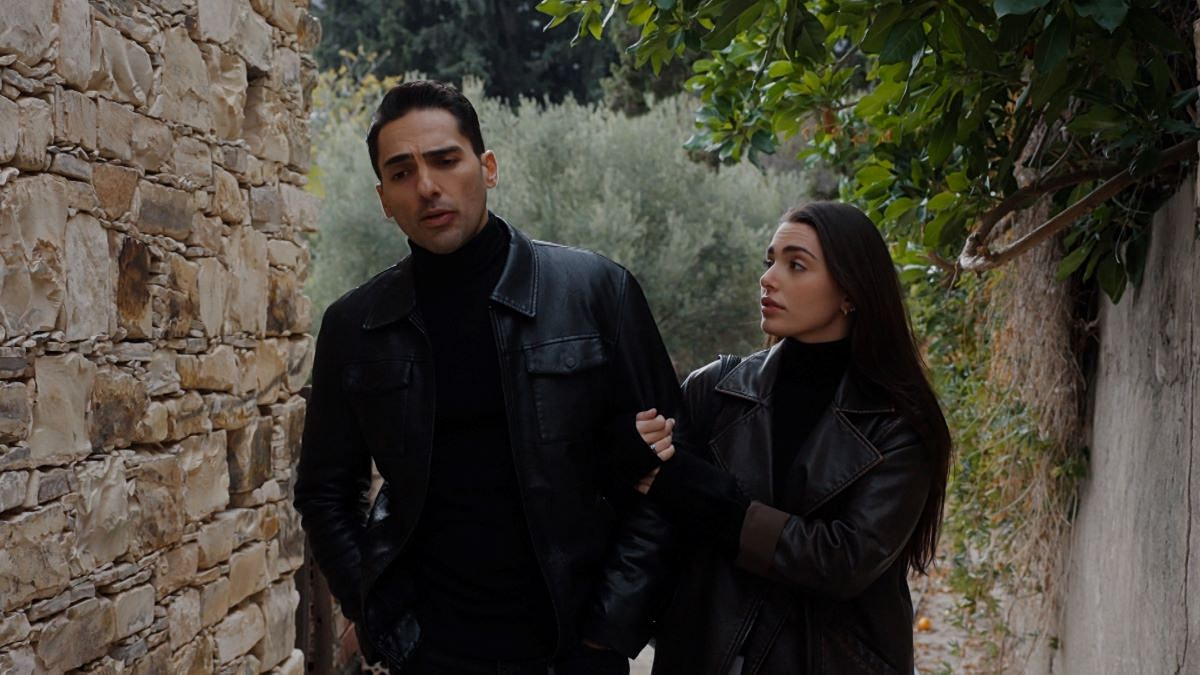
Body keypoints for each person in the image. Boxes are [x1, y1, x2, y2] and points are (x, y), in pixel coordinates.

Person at [294, 80, 682, 675]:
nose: (427, 186)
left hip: (573, 651)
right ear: (383, 198)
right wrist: (379, 616)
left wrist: (609, 628)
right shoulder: (356, 325)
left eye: (446, 160)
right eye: (402, 173)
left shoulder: (596, 292)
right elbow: (325, 492)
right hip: (432, 655)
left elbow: (672, 471)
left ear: (488, 167)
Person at [631, 202, 953, 674]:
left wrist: (718, 506)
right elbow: (647, 516)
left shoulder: (898, 424)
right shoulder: (716, 390)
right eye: (770, 262)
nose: (768, 279)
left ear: (850, 291)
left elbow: (845, 561)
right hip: (705, 652)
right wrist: (635, 446)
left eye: (796, 265)